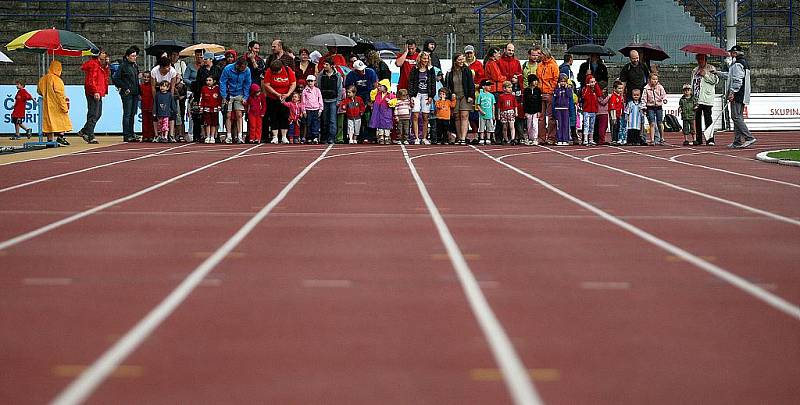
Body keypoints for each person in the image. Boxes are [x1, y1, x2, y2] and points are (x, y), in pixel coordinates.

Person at [725, 45, 756, 148]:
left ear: (735, 53)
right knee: (738, 117)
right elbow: (731, 75)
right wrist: (717, 73)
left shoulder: (738, 64)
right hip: (743, 94)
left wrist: (732, 92)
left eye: (731, 53)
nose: (730, 54)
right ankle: (737, 141)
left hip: (738, 94)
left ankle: (749, 137)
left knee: (736, 117)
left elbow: (737, 80)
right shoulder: (744, 63)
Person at [77, 50, 109, 144]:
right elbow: (92, 79)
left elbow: (105, 76)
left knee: (97, 113)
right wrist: (95, 91)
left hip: (98, 91)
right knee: (93, 113)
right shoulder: (94, 64)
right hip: (94, 92)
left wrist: (106, 65)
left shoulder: (99, 64)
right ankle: (90, 135)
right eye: (103, 53)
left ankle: (84, 130)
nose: (105, 54)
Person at [37, 60, 72, 145]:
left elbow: (39, 91)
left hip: (46, 104)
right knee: (63, 119)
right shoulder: (57, 80)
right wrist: (64, 106)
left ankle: (50, 141)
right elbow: (60, 94)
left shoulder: (43, 78)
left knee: (49, 122)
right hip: (56, 104)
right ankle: (60, 136)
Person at [263, 58, 297, 144]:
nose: (274, 73)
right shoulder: (269, 71)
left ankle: (284, 136)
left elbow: (293, 83)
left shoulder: (288, 70)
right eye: (273, 71)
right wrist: (277, 94)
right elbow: (266, 85)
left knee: (284, 116)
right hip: (273, 98)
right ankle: (275, 136)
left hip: (285, 97)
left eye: (276, 71)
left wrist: (288, 94)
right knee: (274, 117)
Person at [219, 56, 252, 143]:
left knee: (239, 114)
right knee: (228, 115)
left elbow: (247, 84)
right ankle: (229, 136)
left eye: (244, 68)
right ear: (237, 66)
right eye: (242, 68)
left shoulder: (247, 70)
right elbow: (222, 82)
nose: (243, 70)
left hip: (239, 94)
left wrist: (245, 97)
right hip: (229, 94)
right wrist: (224, 95)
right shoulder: (228, 69)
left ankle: (240, 136)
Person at [445, 52, 475, 145]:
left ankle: (463, 137)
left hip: (465, 96)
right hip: (455, 96)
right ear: (455, 61)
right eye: (459, 59)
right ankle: (459, 137)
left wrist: (471, 96)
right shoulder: (450, 72)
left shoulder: (467, 70)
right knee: (457, 117)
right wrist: (450, 95)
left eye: (463, 59)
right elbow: (448, 86)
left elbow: (471, 84)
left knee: (464, 115)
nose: (462, 61)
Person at [113, 46, 141, 142]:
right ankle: (126, 134)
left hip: (135, 92)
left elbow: (136, 80)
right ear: (127, 56)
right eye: (132, 56)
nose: (134, 57)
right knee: (127, 114)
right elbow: (116, 78)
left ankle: (131, 133)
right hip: (127, 93)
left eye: (135, 56)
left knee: (132, 114)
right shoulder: (123, 66)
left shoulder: (134, 66)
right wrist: (125, 87)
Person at [193, 52, 222, 142]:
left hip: (215, 95)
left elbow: (220, 82)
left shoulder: (217, 69)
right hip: (204, 94)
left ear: (211, 59)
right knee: (203, 118)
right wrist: (196, 98)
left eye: (206, 59)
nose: (204, 61)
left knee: (214, 118)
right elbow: (198, 83)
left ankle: (215, 135)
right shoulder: (201, 70)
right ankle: (203, 135)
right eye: (204, 59)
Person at [408, 52, 436, 144]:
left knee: (425, 116)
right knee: (415, 115)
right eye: (424, 58)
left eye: (427, 59)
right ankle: (416, 138)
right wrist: (411, 95)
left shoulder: (431, 70)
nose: (425, 60)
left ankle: (424, 138)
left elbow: (433, 83)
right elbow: (411, 82)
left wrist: (431, 96)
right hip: (416, 94)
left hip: (426, 95)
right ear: (420, 59)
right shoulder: (414, 69)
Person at [691, 53, 719, 146]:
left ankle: (710, 139)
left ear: (705, 59)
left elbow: (715, 81)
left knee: (708, 119)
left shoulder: (711, 68)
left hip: (707, 98)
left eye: (702, 59)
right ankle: (698, 139)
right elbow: (693, 83)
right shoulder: (695, 70)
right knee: (697, 119)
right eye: (698, 59)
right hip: (696, 98)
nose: (700, 61)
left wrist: (705, 75)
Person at [150, 56, 178, 140]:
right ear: (161, 67)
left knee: (171, 114)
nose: (169, 68)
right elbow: (153, 87)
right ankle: (156, 135)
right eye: (167, 67)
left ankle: (171, 135)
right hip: (158, 92)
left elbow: (172, 87)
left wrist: (170, 99)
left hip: (168, 92)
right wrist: (156, 99)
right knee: (156, 115)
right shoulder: (154, 71)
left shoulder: (172, 71)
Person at [537, 48, 560, 144]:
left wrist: (551, 89)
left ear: (545, 54)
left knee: (551, 117)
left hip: (549, 93)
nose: (539, 55)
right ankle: (541, 138)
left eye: (540, 54)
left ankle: (551, 137)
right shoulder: (540, 65)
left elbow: (555, 79)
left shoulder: (553, 65)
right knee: (541, 117)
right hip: (541, 93)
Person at [316, 60, 341, 144]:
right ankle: (324, 137)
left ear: (332, 66)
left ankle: (332, 137)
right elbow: (318, 87)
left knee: (332, 120)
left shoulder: (337, 75)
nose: (324, 66)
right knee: (324, 119)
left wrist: (338, 100)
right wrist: (319, 100)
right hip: (323, 100)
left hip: (333, 100)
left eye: (327, 64)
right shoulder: (321, 75)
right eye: (324, 64)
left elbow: (339, 88)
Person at [642, 73, 667, 145]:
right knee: (652, 123)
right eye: (653, 79)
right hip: (650, 107)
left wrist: (664, 99)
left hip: (658, 107)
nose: (655, 81)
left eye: (656, 79)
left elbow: (664, 95)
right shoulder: (646, 88)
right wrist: (644, 107)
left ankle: (662, 138)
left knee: (660, 123)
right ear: (649, 80)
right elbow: (644, 99)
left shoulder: (660, 87)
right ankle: (652, 140)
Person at [369, 79, 395, 145]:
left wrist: (390, 101)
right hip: (378, 112)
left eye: (381, 86)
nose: (379, 87)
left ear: (385, 87)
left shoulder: (390, 95)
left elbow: (395, 101)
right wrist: (377, 89)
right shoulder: (377, 94)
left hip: (386, 112)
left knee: (387, 124)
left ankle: (387, 137)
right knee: (379, 124)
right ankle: (381, 137)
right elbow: (372, 95)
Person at [552, 74, 574, 146]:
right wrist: (558, 89)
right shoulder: (556, 89)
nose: (563, 83)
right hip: (558, 109)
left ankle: (565, 139)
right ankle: (559, 139)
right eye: (561, 81)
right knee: (559, 125)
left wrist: (567, 88)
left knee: (565, 125)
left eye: (564, 81)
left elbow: (569, 96)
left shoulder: (568, 89)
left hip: (565, 109)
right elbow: (555, 98)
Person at [581, 74, 601, 146]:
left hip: (594, 110)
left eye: (594, 82)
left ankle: (591, 139)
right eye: (591, 82)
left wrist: (596, 85)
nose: (593, 83)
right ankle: (585, 139)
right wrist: (588, 87)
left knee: (592, 125)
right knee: (586, 125)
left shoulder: (595, 89)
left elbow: (599, 94)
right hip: (587, 110)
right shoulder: (585, 89)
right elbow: (585, 96)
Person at [200, 75, 221, 143]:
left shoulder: (217, 88)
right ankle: (207, 136)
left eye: (210, 80)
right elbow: (202, 98)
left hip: (215, 108)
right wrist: (201, 107)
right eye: (207, 80)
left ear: (213, 81)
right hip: (207, 108)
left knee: (214, 123)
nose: (208, 82)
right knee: (207, 123)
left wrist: (219, 106)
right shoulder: (204, 88)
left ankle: (212, 136)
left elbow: (219, 98)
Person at [302, 75, 323, 144]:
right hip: (308, 110)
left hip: (316, 109)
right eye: (309, 81)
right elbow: (303, 102)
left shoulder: (317, 90)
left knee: (315, 123)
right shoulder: (305, 91)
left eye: (311, 81)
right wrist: (304, 111)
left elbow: (320, 100)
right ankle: (309, 137)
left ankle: (315, 137)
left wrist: (320, 109)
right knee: (308, 124)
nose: (310, 83)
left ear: (315, 82)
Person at [522, 74, 541, 145]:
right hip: (528, 111)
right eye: (534, 81)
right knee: (529, 125)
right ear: (530, 81)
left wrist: (539, 111)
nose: (536, 82)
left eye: (536, 81)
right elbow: (524, 102)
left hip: (536, 111)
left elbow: (539, 101)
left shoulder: (538, 90)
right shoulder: (526, 90)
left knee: (535, 125)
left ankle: (535, 138)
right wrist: (525, 111)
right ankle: (530, 138)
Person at [475, 80, 496, 145]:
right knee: (481, 127)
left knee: (489, 127)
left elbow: (493, 105)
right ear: (483, 87)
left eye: (490, 86)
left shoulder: (491, 95)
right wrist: (481, 111)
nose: (490, 87)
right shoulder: (480, 95)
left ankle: (488, 138)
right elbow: (478, 105)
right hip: (482, 115)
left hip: (489, 114)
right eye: (488, 85)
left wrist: (493, 114)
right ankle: (481, 138)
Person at [139, 71, 155, 142]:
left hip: (151, 105)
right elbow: (139, 95)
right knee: (145, 121)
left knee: (151, 121)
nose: (146, 78)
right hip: (144, 105)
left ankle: (151, 135)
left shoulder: (152, 86)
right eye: (145, 77)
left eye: (148, 77)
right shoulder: (141, 86)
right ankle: (145, 136)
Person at [609, 80, 625, 145]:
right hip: (614, 115)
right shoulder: (613, 97)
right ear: (614, 89)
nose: (621, 90)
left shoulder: (619, 96)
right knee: (614, 127)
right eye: (619, 88)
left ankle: (617, 139)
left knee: (618, 127)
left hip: (618, 115)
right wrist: (613, 117)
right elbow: (612, 107)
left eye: (621, 88)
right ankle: (614, 140)